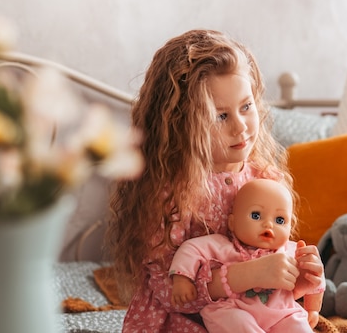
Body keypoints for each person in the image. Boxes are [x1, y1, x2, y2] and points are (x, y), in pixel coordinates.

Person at [106, 29, 324, 332]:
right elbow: (170, 295)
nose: (240, 128)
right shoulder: (174, 194)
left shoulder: (264, 177)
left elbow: (270, 273)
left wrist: (297, 279)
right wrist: (248, 275)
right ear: (182, 125)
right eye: (220, 116)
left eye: (246, 107)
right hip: (188, 324)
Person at [170, 178, 325, 332]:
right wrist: (182, 279)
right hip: (235, 309)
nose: (268, 224)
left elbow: (315, 276)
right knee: (231, 320)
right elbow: (191, 249)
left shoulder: (291, 251)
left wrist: (313, 309)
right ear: (232, 222)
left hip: (282, 313)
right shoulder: (223, 246)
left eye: (279, 220)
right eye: (256, 215)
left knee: (298, 325)